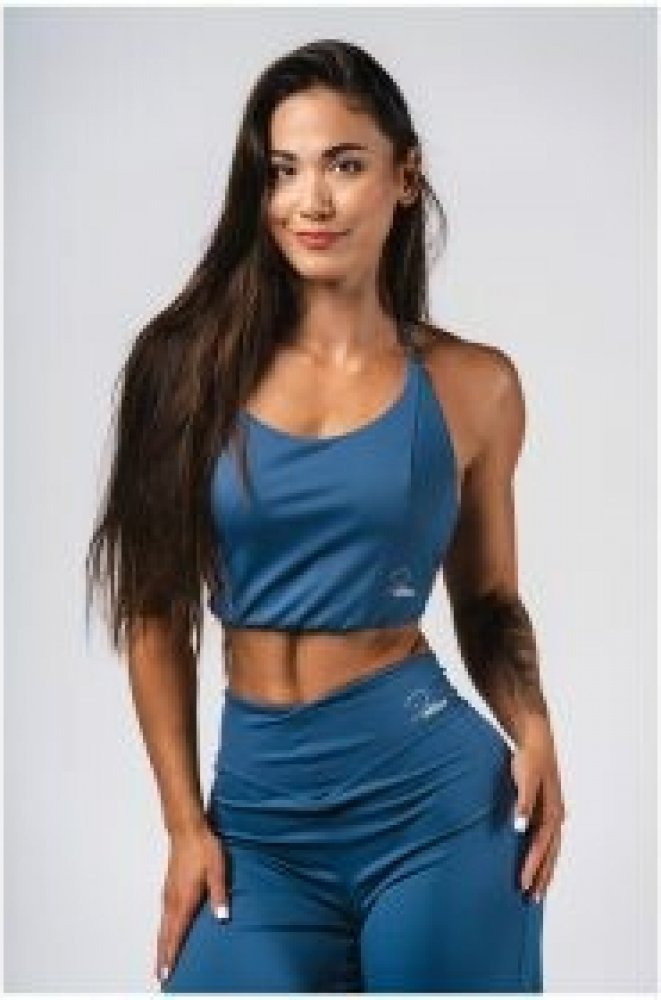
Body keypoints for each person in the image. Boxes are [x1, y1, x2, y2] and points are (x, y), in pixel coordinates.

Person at [85, 38, 566, 993]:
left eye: (344, 165)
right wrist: (185, 827)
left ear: (403, 176)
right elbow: (153, 614)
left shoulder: (473, 385)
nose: (310, 200)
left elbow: (487, 599)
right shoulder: (180, 369)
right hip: (257, 821)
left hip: (435, 808)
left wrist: (535, 723)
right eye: (283, 170)